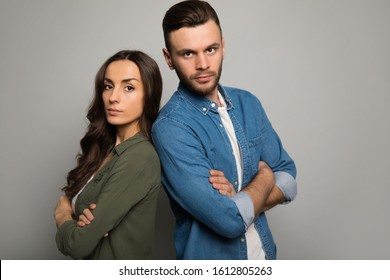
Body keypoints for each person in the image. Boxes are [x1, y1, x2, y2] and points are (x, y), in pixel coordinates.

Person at [151, 0, 297, 260]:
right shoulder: (171, 128)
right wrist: (264, 176)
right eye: (188, 53)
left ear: (223, 46)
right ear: (168, 58)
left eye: (211, 49)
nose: (203, 63)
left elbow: (288, 177)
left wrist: (242, 200)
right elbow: (228, 221)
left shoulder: (248, 103)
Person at [54, 50, 163, 259]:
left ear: (149, 94)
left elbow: (79, 244)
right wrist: (80, 222)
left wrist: (62, 215)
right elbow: (83, 233)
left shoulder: (139, 158)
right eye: (108, 86)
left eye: (128, 88)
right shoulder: (105, 150)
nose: (113, 98)